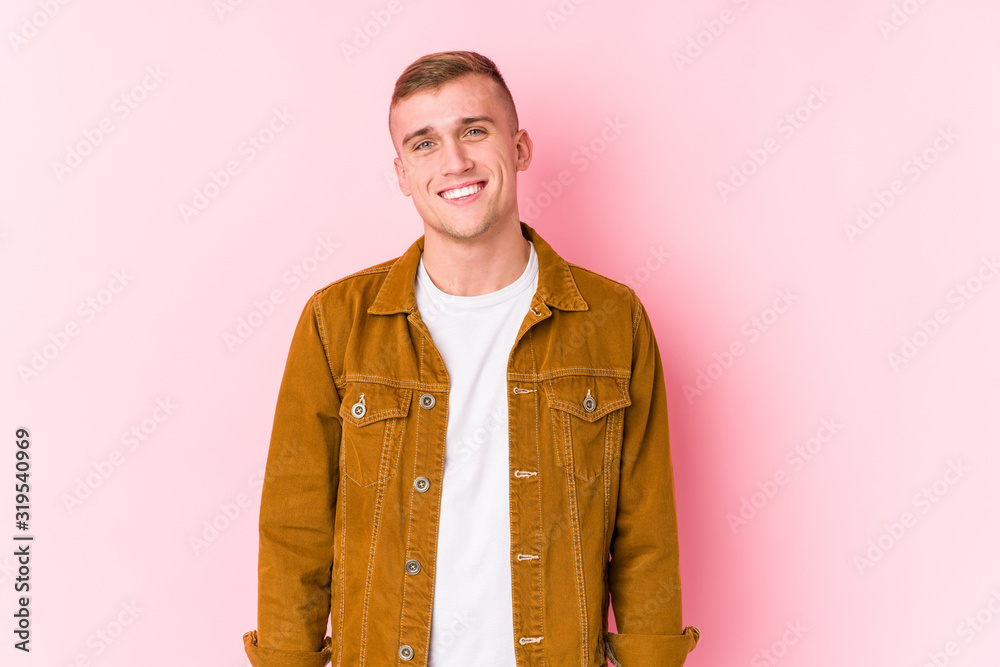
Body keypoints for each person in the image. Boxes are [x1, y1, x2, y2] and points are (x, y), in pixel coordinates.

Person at [243, 50, 699, 667]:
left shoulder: (612, 320)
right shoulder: (338, 322)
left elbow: (645, 532)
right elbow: (295, 528)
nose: (454, 161)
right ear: (402, 173)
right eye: (424, 143)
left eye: (474, 131)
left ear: (520, 147)